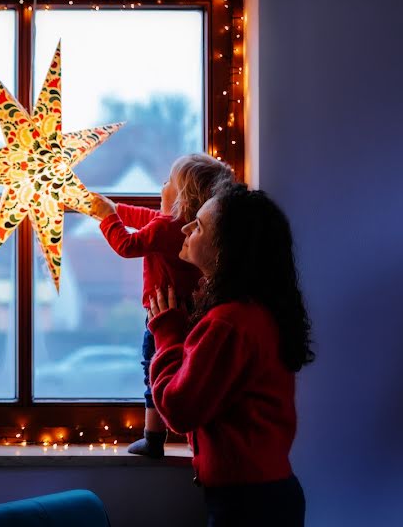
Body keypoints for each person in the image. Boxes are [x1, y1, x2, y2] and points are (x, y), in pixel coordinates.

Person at [147, 182, 314, 526]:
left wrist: (166, 333)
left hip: (249, 504)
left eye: (200, 225)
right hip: (263, 495)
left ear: (226, 250)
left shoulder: (230, 323)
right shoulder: (250, 312)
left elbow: (180, 409)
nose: (187, 228)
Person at [91, 154, 233, 458]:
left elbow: (127, 246)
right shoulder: (186, 227)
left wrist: (107, 218)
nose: (162, 184)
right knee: (189, 373)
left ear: (182, 196)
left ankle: (153, 437)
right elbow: (145, 217)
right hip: (194, 312)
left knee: (155, 370)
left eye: (168, 181)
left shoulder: (167, 228)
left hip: (163, 315)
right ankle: (190, 435)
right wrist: (114, 210)